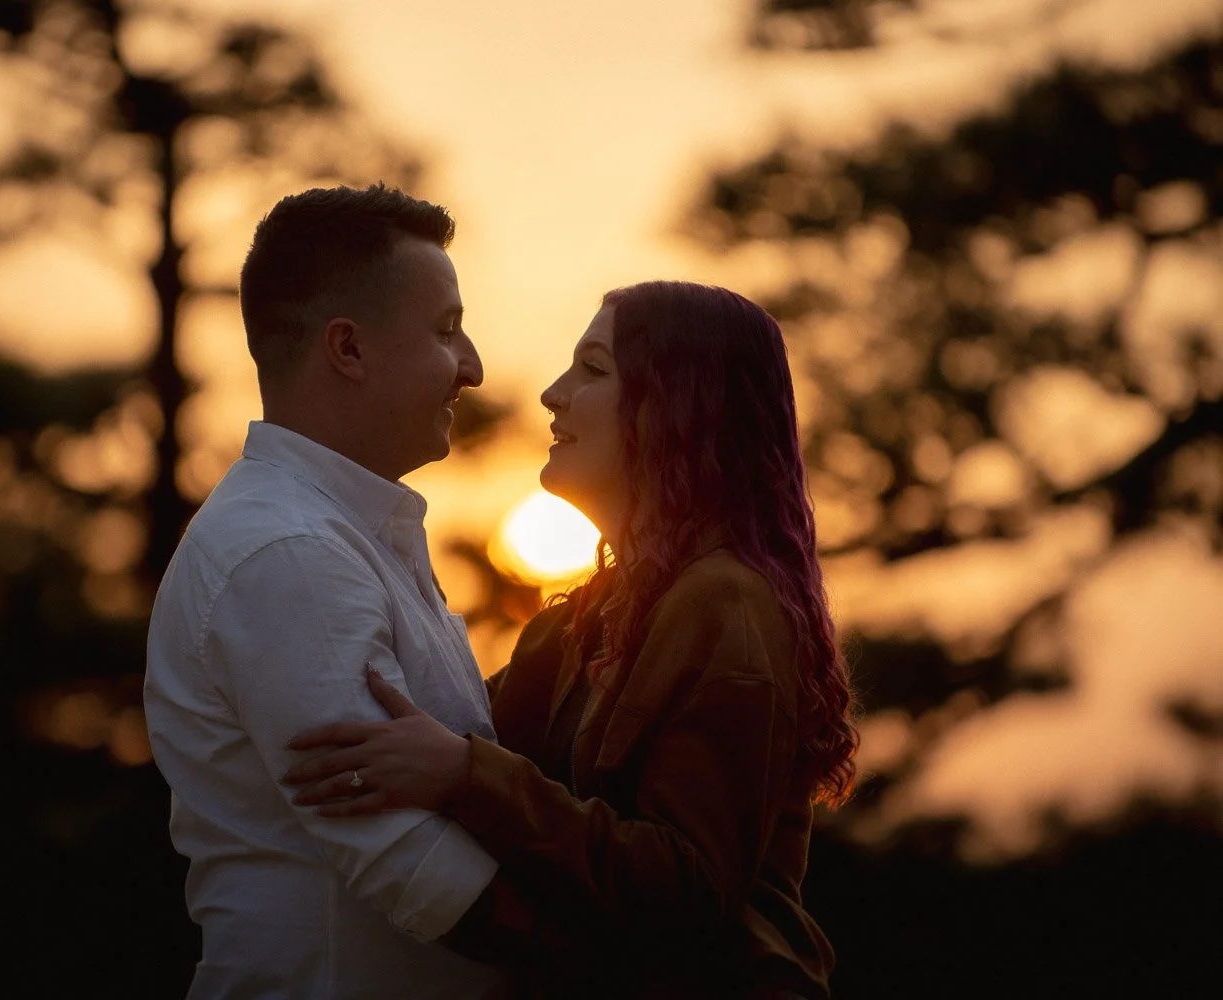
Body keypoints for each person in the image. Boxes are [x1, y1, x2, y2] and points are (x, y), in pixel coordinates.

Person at [283, 281, 859, 998]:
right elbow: (453, 726)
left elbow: (687, 893)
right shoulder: (585, 618)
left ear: (677, 404)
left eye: (592, 369)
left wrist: (466, 776)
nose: (553, 394)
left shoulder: (725, 605)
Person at [143, 184, 507, 999]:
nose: (472, 366)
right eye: (446, 331)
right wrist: (637, 947)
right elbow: (412, 868)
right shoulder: (291, 553)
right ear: (348, 349)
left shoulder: (344, 535)